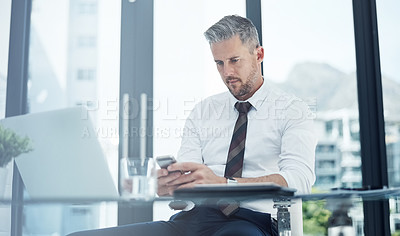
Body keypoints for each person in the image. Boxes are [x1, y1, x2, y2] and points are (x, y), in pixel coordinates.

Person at [68, 15, 316, 236]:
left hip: (254, 222)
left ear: (259, 55)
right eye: (219, 63)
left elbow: (299, 180)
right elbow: (189, 187)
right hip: (194, 221)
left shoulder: (292, 109)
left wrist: (223, 184)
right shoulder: (203, 111)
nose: (227, 71)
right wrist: (172, 188)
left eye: (234, 60)